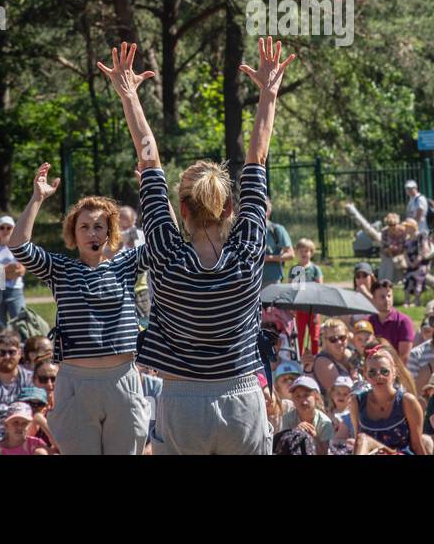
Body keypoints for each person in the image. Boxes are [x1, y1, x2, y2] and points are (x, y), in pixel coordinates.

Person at [105, 38, 294, 454]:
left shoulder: (164, 249)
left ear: (181, 208)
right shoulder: (247, 249)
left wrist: (129, 94)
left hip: (181, 399)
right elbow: (257, 156)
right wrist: (268, 94)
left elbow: (148, 156)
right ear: (231, 207)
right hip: (241, 396)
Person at [8, 162, 147, 455]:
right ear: (73, 231)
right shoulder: (60, 268)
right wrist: (37, 198)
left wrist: (151, 190)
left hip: (122, 378)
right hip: (75, 381)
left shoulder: (126, 264)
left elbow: (165, 243)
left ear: (110, 231)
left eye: (99, 226)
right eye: (84, 226)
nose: (92, 233)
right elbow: (19, 244)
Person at [350, 342, 425, 454]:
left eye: (384, 371)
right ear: (365, 375)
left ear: (394, 372)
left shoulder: (406, 401)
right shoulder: (357, 401)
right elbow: (358, 443)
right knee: (361, 440)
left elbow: (417, 444)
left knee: (362, 439)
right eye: (372, 373)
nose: (378, 377)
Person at [287, 237, 323, 355]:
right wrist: (291, 306)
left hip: (313, 306)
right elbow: (291, 288)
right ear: (297, 252)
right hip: (300, 306)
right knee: (300, 335)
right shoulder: (295, 269)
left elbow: (319, 287)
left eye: (306, 251)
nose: (304, 254)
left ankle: (315, 357)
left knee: (315, 336)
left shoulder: (315, 269)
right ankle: (299, 359)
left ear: (311, 253)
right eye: (301, 251)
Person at [280, 374, 333, 454]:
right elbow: (282, 449)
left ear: (316, 397)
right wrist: (294, 434)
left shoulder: (325, 423)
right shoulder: (286, 419)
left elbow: (324, 453)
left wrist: (314, 438)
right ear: (293, 399)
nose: (303, 401)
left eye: (306, 395)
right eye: (298, 396)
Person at [369, 278, 415, 361]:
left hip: (397, 369)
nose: (387, 300)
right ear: (374, 299)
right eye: (382, 297)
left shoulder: (403, 321)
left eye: (389, 296)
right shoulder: (369, 322)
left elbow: (404, 357)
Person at [312, 318, 355, 396]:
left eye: (342, 337)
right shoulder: (322, 362)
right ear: (325, 340)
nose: (339, 342)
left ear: (347, 336)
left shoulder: (350, 353)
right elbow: (338, 394)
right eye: (333, 339)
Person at [261, 199, 294, 286]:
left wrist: (268, 258)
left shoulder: (276, 230)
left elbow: (290, 254)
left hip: (272, 280)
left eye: (264, 208)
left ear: (268, 211)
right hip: (250, 280)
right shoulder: (247, 230)